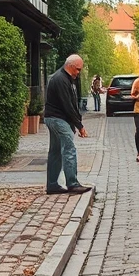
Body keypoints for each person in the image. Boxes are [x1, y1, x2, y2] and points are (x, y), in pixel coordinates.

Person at [43, 55, 93, 194]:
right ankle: (72, 184)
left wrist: (76, 122)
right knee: (69, 149)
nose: (78, 72)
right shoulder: (61, 79)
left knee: (55, 151)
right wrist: (79, 125)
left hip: (54, 118)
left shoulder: (65, 78)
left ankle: (52, 185)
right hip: (57, 119)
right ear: (70, 66)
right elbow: (67, 105)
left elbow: (72, 103)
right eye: (78, 69)